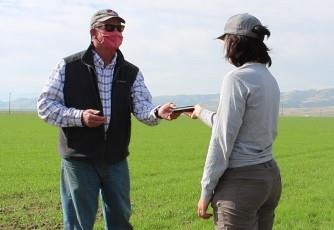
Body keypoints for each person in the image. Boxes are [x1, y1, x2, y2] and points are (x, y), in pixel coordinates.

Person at [37, 9, 178, 230]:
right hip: (79, 161)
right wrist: (80, 117)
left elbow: (142, 107)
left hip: (116, 160)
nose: (116, 32)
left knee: (120, 219)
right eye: (109, 28)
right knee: (78, 223)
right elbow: (45, 106)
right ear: (94, 32)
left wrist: (158, 112)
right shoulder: (68, 67)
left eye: (120, 28)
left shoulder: (130, 72)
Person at [187, 13, 282, 229]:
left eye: (226, 42)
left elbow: (222, 138)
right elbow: (236, 124)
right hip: (269, 179)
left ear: (234, 42)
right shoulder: (268, 78)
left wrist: (206, 190)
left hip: (242, 183)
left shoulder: (236, 78)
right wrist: (201, 112)